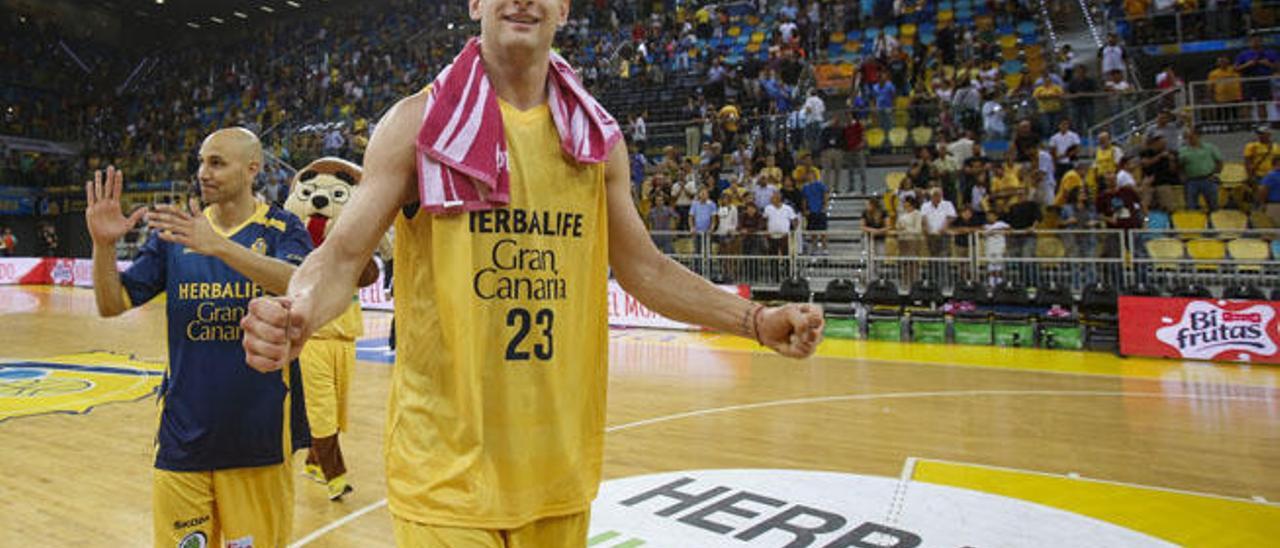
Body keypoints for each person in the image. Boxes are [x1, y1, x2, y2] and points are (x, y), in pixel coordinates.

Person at [238, 2, 825, 546]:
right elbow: (341, 255)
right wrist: (301, 311)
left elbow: (643, 268)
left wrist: (755, 319)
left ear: (565, 7)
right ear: (474, 4)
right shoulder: (418, 123)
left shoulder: (598, 139)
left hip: (558, 472)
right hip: (445, 473)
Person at [85, 129, 313, 547]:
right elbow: (112, 302)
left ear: (252, 169)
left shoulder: (283, 226)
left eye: (216, 163)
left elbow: (300, 283)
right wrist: (103, 247)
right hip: (182, 436)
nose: (202, 173)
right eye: (201, 162)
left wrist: (221, 248)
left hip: (257, 439)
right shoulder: (176, 234)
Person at [1178, 128, 1224, 211]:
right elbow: (1180, 166)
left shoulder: (1210, 147)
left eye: (1192, 136)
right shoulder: (1182, 151)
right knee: (1191, 205)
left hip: (1208, 179)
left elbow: (1219, 161)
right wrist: (1182, 176)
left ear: (1198, 136)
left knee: (1213, 204)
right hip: (1191, 180)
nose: (1190, 139)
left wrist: (1216, 174)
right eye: (1189, 137)